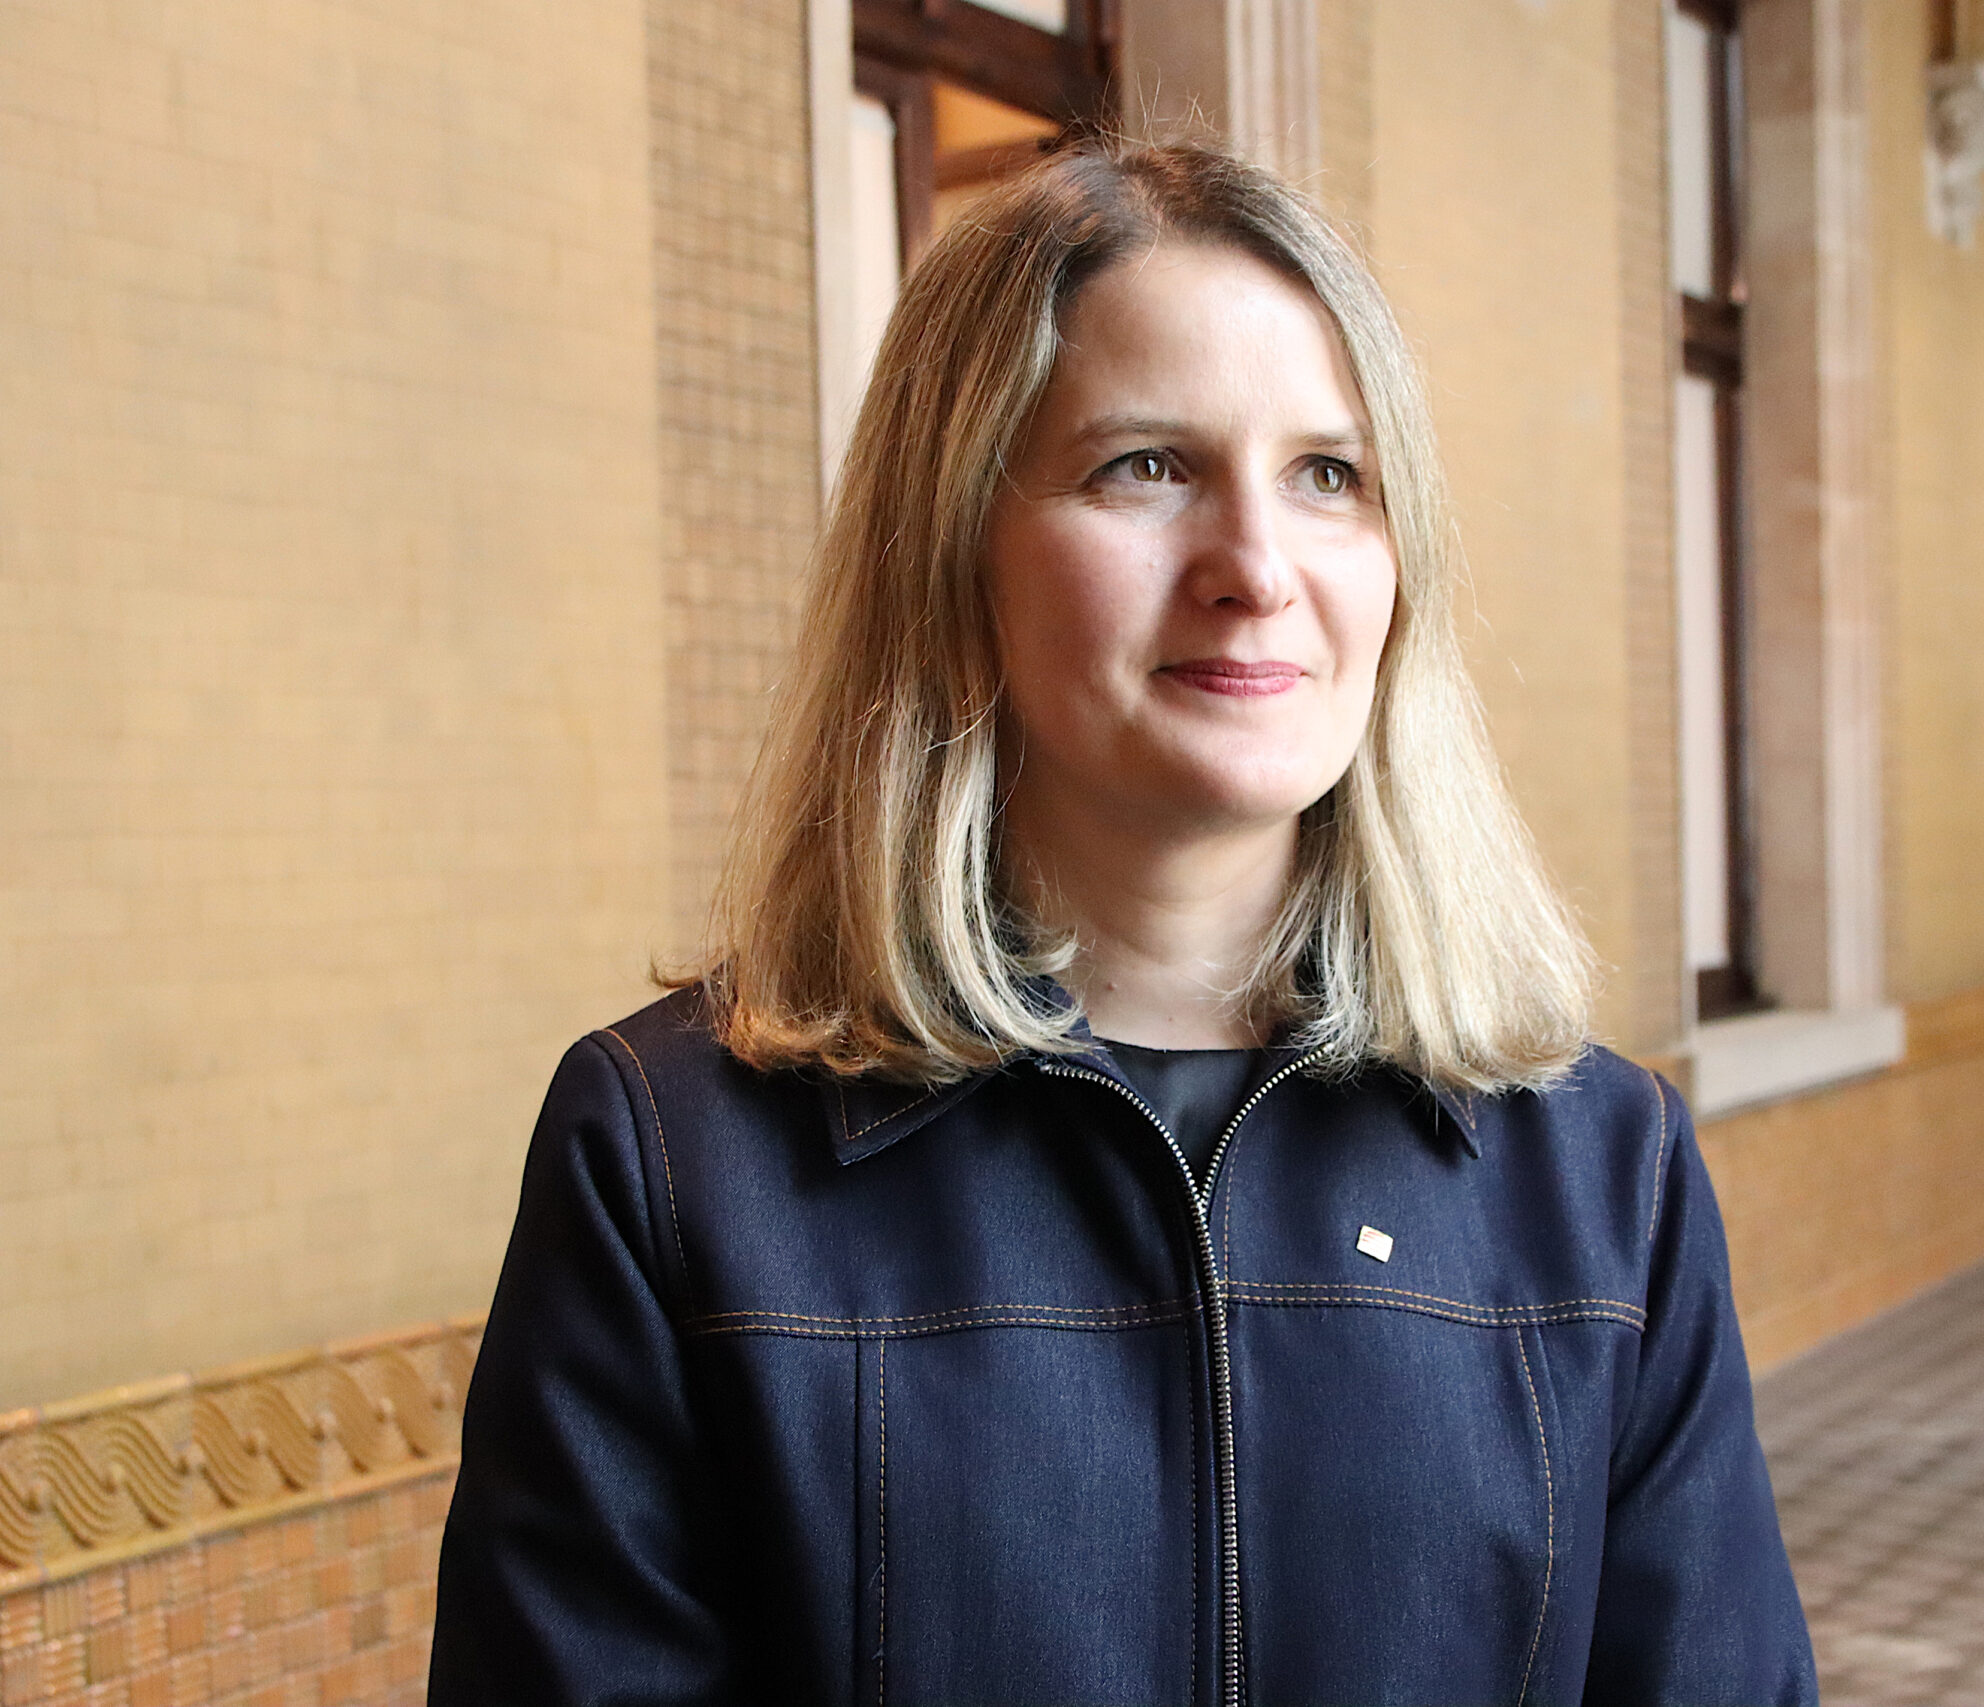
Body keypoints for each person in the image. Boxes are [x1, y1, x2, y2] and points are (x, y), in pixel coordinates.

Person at [428, 136, 1816, 1706]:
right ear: (953, 551)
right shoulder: (675, 1164)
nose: (1256, 568)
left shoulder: (1605, 1175)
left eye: (1329, 476)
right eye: (1146, 466)